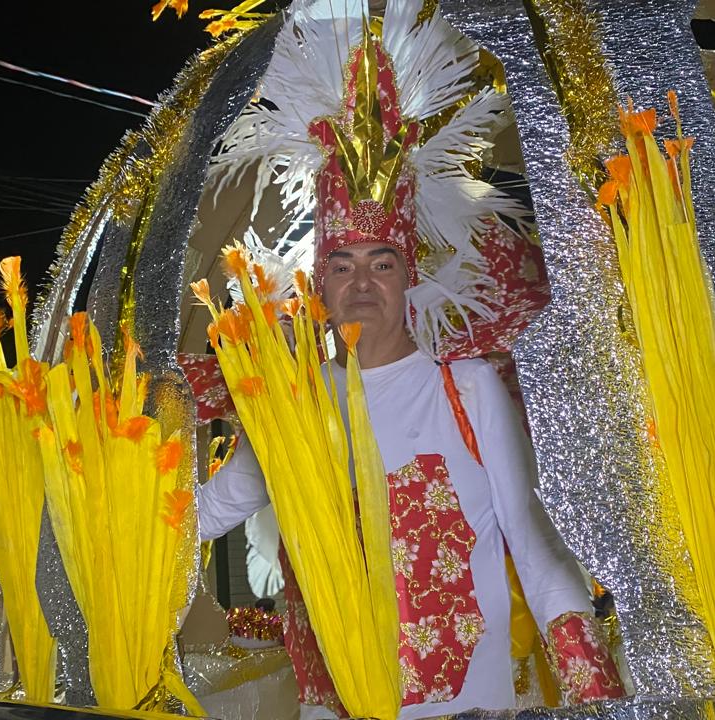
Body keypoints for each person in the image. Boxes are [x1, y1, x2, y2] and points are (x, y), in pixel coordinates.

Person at [196, 4, 624, 715]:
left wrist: (593, 690)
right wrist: (103, 508)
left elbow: (532, 542)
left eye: (382, 262)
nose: (362, 282)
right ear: (320, 283)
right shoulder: (292, 407)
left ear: (409, 275)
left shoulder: (468, 388)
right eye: (342, 265)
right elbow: (210, 512)